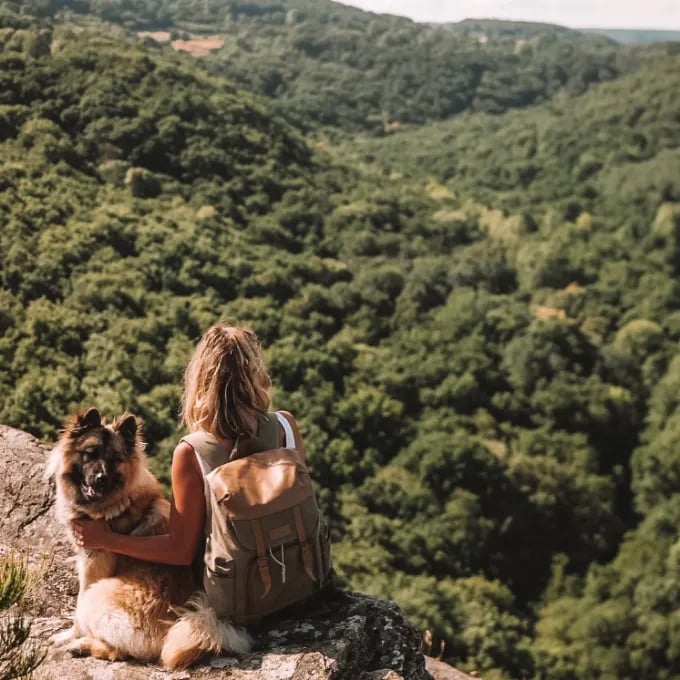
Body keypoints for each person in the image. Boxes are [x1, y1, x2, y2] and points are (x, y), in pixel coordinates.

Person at [72, 323, 304, 572]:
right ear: (255, 374)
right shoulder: (285, 425)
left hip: (239, 597)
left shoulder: (192, 452)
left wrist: (106, 540)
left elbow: (180, 552)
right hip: (299, 575)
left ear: (200, 379)